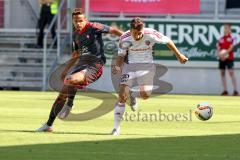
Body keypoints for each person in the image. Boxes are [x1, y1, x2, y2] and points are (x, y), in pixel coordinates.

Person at [36, 8, 123, 132]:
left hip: (95, 65)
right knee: (62, 93)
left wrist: (128, 38)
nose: (78, 23)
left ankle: (70, 103)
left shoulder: (94, 27)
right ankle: (48, 125)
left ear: (85, 20)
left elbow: (113, 30)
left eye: (80, 20)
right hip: (81, 65)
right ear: (73, 21)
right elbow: (76, 54)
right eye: (75, 21)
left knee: (71, 80)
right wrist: (66, 69)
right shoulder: (75, 34)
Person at [111, 17, 188, 135]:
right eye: (135, 33)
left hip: (146, 67)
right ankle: (116, 128)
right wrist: (117, 68)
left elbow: (168, 41)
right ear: (130, 30)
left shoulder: (151, 34)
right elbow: (121, 56)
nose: (137, 36)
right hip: (130, 66)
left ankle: (133, 96)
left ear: (143, 30)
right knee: (121, 96)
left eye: (140, 33)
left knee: (145, 95)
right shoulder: (124, 38)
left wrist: (179, 55)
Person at [217, 23, 238, 96]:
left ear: (230, 29)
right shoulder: (221, 38)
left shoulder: (232, 38)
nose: (226, 29)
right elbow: (218, 48)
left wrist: (224, 53)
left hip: (229, 58)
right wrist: (220, 54)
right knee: (222, 73)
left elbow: (231, 47)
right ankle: (225, 90)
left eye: (227, 28)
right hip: (222, 58)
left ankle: (235, 90)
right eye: (225, 28)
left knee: (231, 72)